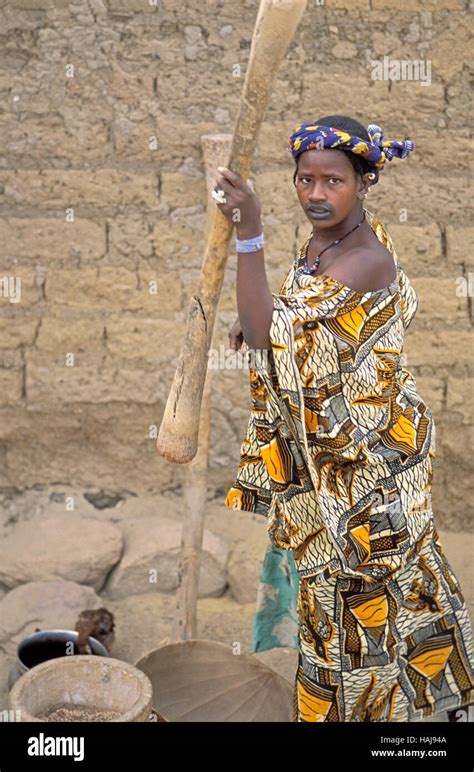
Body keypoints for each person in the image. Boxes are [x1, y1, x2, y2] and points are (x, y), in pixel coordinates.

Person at [216, 114, 474, 722]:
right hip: (338, 456)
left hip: (372, 470)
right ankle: (420, 707)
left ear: (364, 182)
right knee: (369, 592)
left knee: (360, 602)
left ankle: (369, 718)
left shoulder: (364, 257)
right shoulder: (328, 240)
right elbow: (298, 318)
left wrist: (248, 232)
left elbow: (262, 335)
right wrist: (279, 313)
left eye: (333, 181)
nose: (315, 195)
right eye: (305, 180)